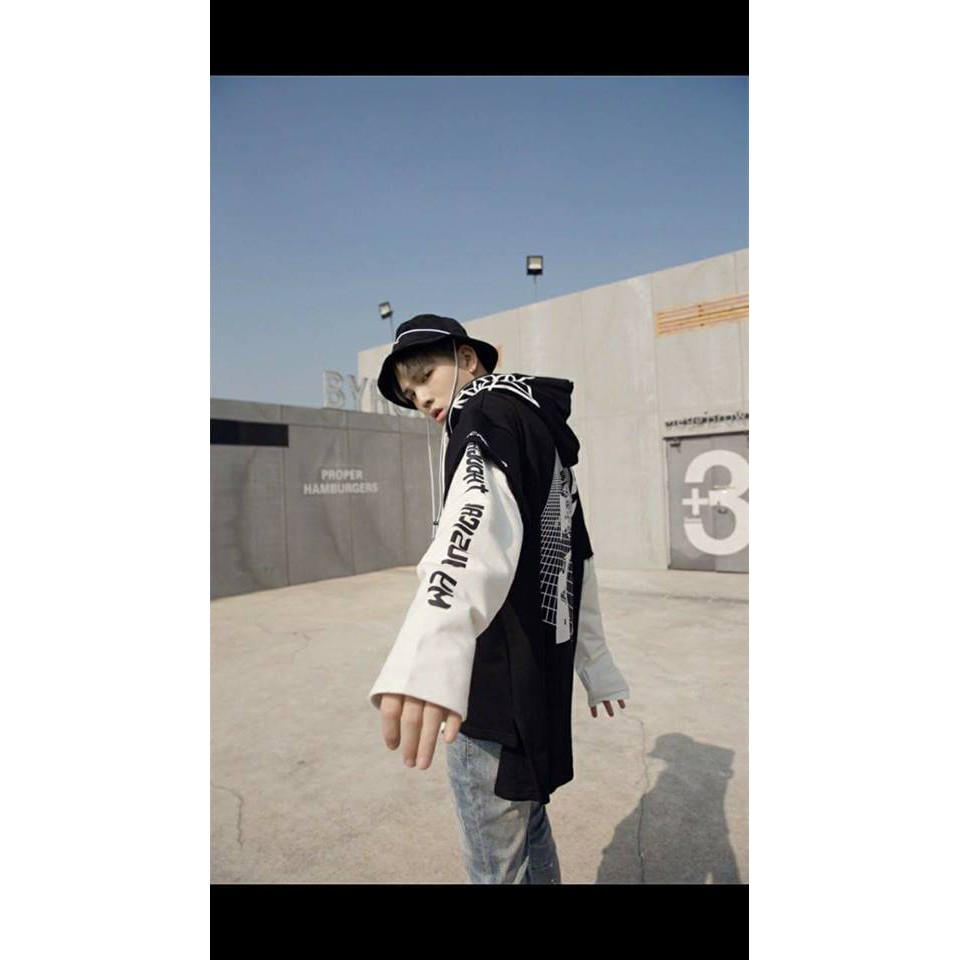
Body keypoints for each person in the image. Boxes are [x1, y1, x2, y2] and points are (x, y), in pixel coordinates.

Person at [368, 313, 630, 884]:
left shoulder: (483, 412)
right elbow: (574, 555)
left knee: (497, 867)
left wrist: (432, 649)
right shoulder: (533, 420)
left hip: (489, 696)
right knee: (531, 832)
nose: (420, 398)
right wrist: (596, 661)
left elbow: (472, 526)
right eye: (409, 393)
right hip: (537, 688)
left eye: (425, 377)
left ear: (466, 359)